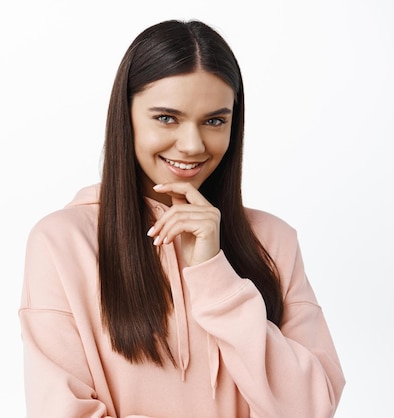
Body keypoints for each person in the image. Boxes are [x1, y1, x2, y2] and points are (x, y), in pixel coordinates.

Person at [18, 19, 345, 418]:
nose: (192, 145)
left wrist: (214, 274)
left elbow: (310, 410)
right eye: (167, 118)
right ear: (127, 115)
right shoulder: (62, 243)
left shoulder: (274, 241)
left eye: (214, 121)